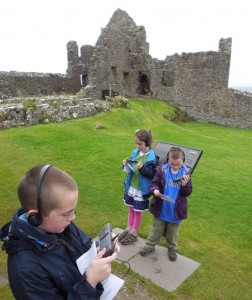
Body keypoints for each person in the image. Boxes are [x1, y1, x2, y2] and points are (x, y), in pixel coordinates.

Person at [0, 164, 119, 300]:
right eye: (66, 213)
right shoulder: (25, 271)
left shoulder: (60, 226)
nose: (73, 217)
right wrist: (89, 283)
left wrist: (101, 250)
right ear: (35, 217)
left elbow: (81, 248)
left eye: (73, 210)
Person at [139, 147, 192, 261]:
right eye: (172, 163)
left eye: (178, 164)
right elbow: (154, 183)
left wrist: (185, 185)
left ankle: (171, 248)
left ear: (183, 160)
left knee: (173, 233)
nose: (175, 166)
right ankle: (150, 246)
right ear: (168, 159)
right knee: (156, 229)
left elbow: (187, 193)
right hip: (160, 208)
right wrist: (155, 190)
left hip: (176, 211)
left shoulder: (186, 173)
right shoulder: (161, 170)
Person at [119, 130, 159, 245]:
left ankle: (134, 233)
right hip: (132, 186)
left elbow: (153, 175)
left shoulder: (152, 158)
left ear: (147, 143)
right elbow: (129, 170)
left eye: (140, 144)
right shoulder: (135, 152)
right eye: (136, 143)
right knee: (131, 209)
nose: (137, 146)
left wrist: (142, 169)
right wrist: (125, 164)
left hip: (141, 190)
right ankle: (128, 229)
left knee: (137, 211)